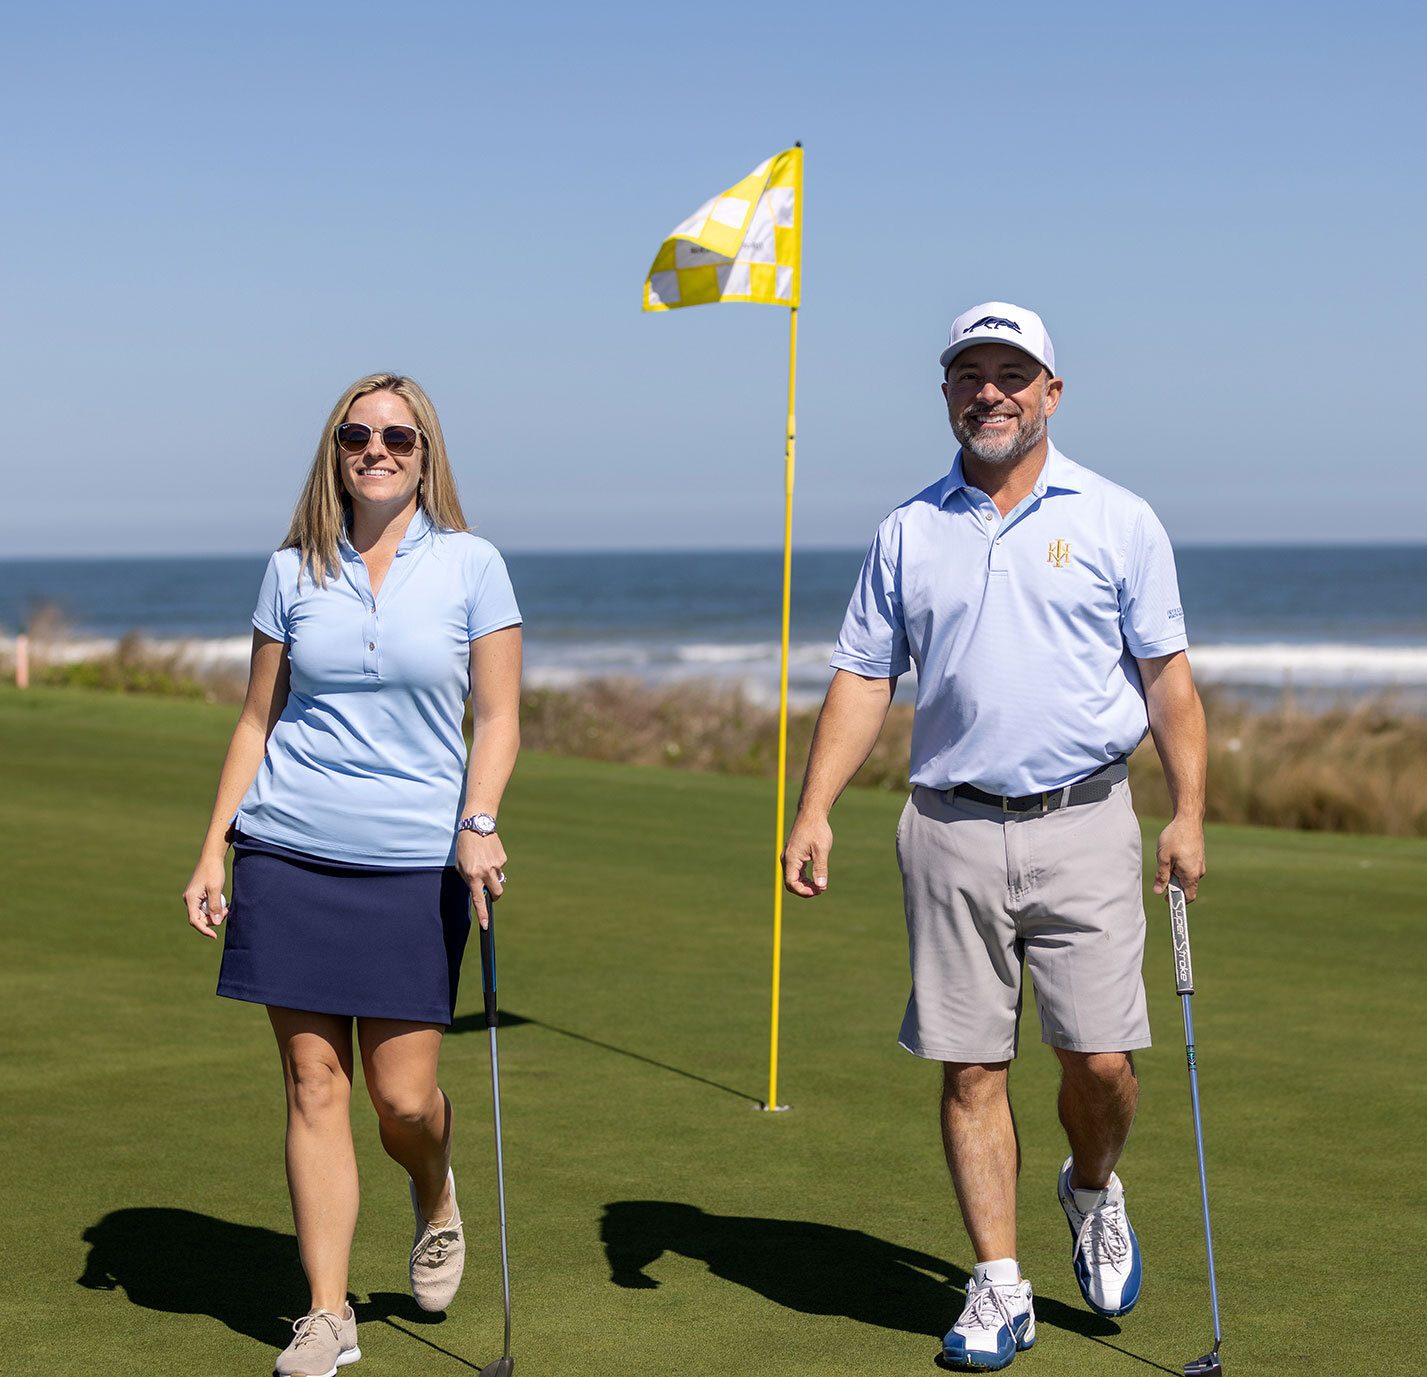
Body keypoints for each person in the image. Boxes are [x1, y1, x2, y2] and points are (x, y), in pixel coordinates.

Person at [782, 303, 1207, 1372]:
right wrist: (813, 807)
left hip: (1086, 820)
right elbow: (863, 679)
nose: (989, 392)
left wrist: (1188, 811)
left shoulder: (1118, 519)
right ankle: (997, 1284)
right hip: (948, 828)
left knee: (1099, 1063)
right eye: (969, 373)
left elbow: (1166, 680)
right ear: (945, 394)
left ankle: (1090, 1188)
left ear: (1049, 393)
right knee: (968, 1067)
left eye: (1011, 373)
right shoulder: (904, 531)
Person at [181, 373, 522, 1377]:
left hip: (414, 862)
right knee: (311, 1081)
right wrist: (214, 844)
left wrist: (479, 820)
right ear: (334, 451)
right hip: (287, 848)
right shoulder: (291, 570)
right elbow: (257, 718)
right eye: (356, 435)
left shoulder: (471, 565)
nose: (376, 450)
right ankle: (327, 1316)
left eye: (397, 437)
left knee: (401, 1097)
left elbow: (497, 719)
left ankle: (433, 1189)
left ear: (426, 455)